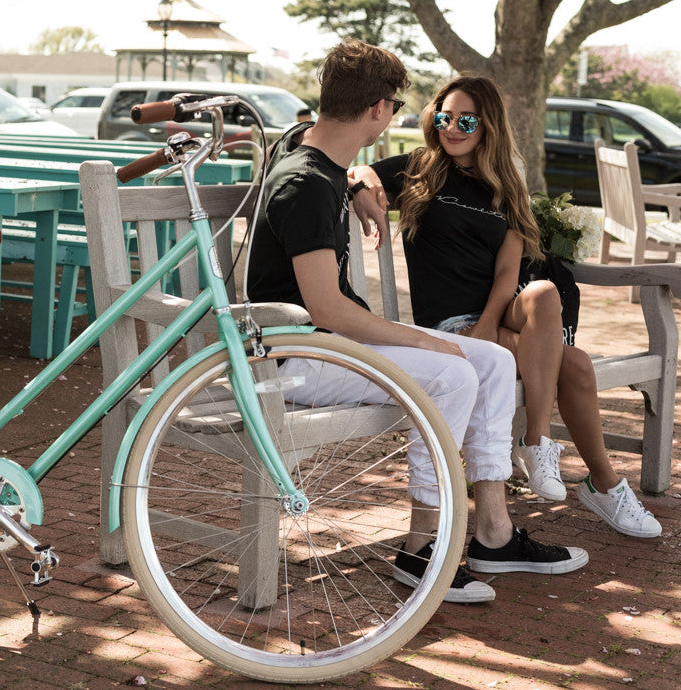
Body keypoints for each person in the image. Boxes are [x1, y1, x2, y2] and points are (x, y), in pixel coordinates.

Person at [247, 40, 588, 605]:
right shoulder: (307, 183)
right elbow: (327, 311)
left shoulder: (318, 157)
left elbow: (303, 140)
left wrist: (360, 184)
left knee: (496, 362)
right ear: (380, 110)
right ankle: (420, 547)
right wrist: (430, 346)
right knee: (452, 374)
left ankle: (494, 535)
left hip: (325, 344)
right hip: (295, 355)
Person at [350, 75, 660, 538]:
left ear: (488, 125)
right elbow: (359, 172)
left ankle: (550, 448)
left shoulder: (506, 186)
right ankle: (587, 473)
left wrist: (490, 324)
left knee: (543, 295)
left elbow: (506, 273)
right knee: (573, 364)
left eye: (466, 120)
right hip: (447, 326)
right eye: (444, 117)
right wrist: (362, 188)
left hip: (495, 317)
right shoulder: (419, 168)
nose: (452, 127)